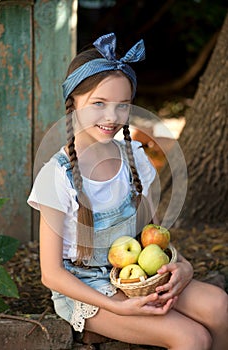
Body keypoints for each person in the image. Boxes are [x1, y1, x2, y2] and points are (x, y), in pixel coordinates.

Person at [28, 33, 228, 350]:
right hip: (88, 290)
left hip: (136, 274)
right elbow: (51, 274)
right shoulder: (56, 176)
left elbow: (148, 234)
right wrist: (118, 306)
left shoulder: (134, 157)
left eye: (122, 105)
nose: (111, 116)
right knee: (192, 338)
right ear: (73, 103)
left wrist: (183, 265)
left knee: (219, 305)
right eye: (98, 104)